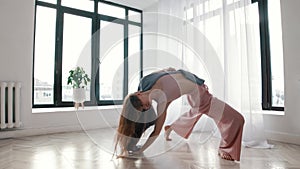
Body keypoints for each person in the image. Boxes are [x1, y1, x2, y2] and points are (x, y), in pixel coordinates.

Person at [114, 68, 245, 161]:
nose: (146, 107)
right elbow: (155, 132)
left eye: (141, 104)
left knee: (198, 113)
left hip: (197, 92)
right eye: (143, 110)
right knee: (238, 119)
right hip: (201, 98)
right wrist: (140, 151)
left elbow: (169, 69)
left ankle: (171, 128)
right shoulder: (161, 102)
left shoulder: (146, 81)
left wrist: (178, 80)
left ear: (138, 94)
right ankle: (226, 149)